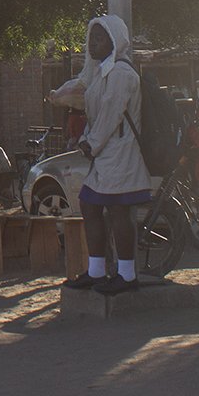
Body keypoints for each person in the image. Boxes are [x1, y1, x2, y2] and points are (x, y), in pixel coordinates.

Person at [68, 16, 148, 295]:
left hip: (120, 154)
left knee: (118, 212)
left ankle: (126, 276)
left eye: (100, 38)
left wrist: (91, 144)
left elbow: (110, 115)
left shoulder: (122, 74)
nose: (93, 43)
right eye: (92, 37)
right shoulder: (103, 72)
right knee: (90, 207)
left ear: (114, 41)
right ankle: (97, 271)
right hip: (105, 155)